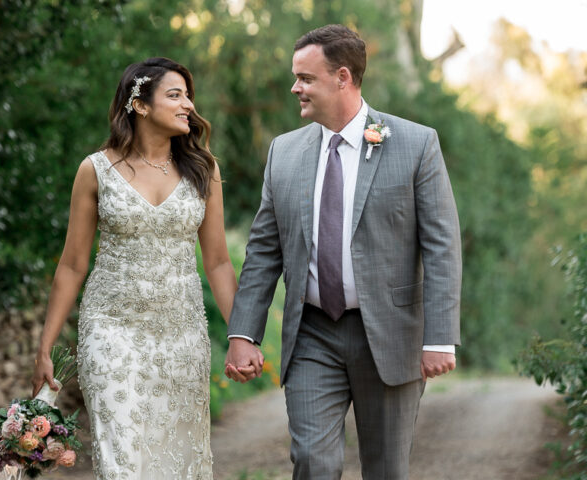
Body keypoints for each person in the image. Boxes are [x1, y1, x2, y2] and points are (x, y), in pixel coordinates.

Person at [224, 25, 462, 479]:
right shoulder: (284, 153)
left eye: (305, 78)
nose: (295, 87)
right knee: (313, 462)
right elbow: (263, 252)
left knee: (386, 468)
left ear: (343, 77)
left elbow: (442, 246)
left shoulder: (415, 144)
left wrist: (439, 336)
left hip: (391, 335)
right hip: (312, 333)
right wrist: (243, 333)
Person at [31, 57, 242, 479]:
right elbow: (73, 265)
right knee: (122, 460)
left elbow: (218, 262)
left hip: (181, 337)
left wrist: (242, 335)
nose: (188, 106)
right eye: (175, 95)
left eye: (189, 96)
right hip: (111, 332)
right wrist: (46, 345)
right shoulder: (96, 170)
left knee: (177, 462)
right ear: (140, 104)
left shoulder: (203, 170)